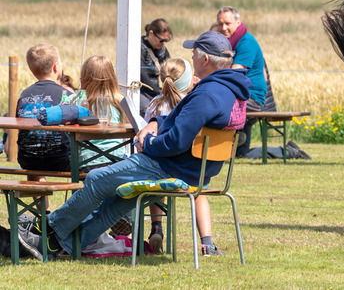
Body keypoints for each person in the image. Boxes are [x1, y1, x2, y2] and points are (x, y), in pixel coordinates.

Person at [15, 30, 250, 261]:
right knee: (118, 201)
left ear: (206, 59)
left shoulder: (207, 93)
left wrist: (147, 142)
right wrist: (157, 122)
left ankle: (44, 228)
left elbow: (177, 141)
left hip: (169, 167)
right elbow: (186, 120)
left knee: (96, 179)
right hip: (196, 172)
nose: (191, 58)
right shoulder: (229, 90)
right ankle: (59, 244)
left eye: (194, 53)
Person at [142, 57, 195, 254]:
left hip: (157, 170)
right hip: (186, 172)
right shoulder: (191, 104)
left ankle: (156, 227)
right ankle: (206, 240)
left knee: (154, 179)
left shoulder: (155, 104)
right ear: (188, 80)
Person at [7, 44, 71, 179]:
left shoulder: (24, 95)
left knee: (34, 160)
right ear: (56, 67)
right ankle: (76, 200)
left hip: (28, 159)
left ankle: (40, 200)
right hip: (62, 159)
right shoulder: (66, 93)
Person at [216, 6, 267, 156]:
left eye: (227, 23)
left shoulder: (245, 42)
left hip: (251, 97)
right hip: (240, 94)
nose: (223, 28)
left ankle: (222, 143)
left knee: (214, 105)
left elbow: (234, 73)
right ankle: (233, 143)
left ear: (238, 22)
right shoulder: (232, 41)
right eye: (220, 24)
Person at [71, 55, 128, 171]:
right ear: (111, 75)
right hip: (118, 161)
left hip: (87, 162)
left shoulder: (75, 99)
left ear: (84, 75)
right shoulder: (120, 99)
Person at [140, 18, 173, 112]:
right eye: (161, 40)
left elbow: (170, 71)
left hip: (156, 91)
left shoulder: (162, 50)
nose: (164, 43)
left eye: (167, 40)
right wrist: (160, 93)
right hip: (141, 91)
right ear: (151, 33)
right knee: (148, 109)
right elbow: (143, 77)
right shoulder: (139, 48)